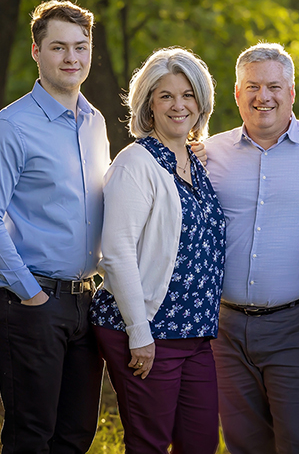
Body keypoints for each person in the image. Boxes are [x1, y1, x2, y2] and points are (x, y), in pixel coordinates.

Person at [0, 0, 109, 454]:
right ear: (36, 52)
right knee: (32, 436)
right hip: (29, 302)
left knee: (76, 434)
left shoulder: (96, 122)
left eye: (80, 47)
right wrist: (31, 293)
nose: (71, 58)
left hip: (85, 303)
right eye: (58, 47)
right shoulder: (9, 127)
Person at [205, 43, 299, 454]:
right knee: (242, 442)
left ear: (291, 93)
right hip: (224, 328)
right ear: (236, 94)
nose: (263, 96)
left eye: (273, 86)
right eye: (252, 86)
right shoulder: (209, 153)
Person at [90, 47, 225, 454]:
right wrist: (139, 334)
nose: (178, 105)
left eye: (188, 95)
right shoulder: (136, 164)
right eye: (166, 95)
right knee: (149, 444)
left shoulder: (195, 161)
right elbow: (115, 253)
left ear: (201, 102)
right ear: (149, 103)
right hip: (148, 330)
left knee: (199, 442)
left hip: (196, 335)